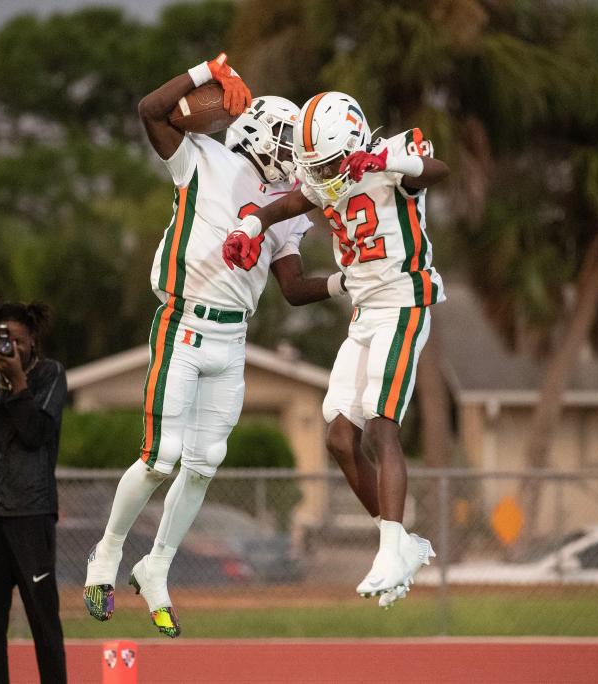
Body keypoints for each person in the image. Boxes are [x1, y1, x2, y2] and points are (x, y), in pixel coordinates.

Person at [83, 53, 347, 637]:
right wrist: (206, 71)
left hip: (234, 339)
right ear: (254, 130)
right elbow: (151, 108)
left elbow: (295, 289)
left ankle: (156, 568)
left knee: (204, 465)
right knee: (160, 457)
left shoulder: (287, 210)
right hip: (181, 322)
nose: (292, 153)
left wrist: (345, 282)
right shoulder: (202, 158)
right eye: (284, 138)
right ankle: (105, 554)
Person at [224, 91, 449, 608]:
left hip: (403, 302)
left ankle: (392, 548)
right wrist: (251, 225)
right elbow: (290, 202)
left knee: (381, 423)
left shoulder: (393, 160)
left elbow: (436, 169)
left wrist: (383, 159)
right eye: (315, 166)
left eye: (329, 163)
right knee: (339, 439)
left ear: (353, 145)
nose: (322, 176)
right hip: (365, 312)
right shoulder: (328, 179)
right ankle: (401, 543)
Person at [0, 296, 67, 684]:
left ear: (32, 339)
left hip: (30, 514)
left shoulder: (50, 374)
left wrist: (18, 381)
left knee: (43, 619)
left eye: (18, 340)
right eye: (2, 340)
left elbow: (36, 433)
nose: (10, 348)